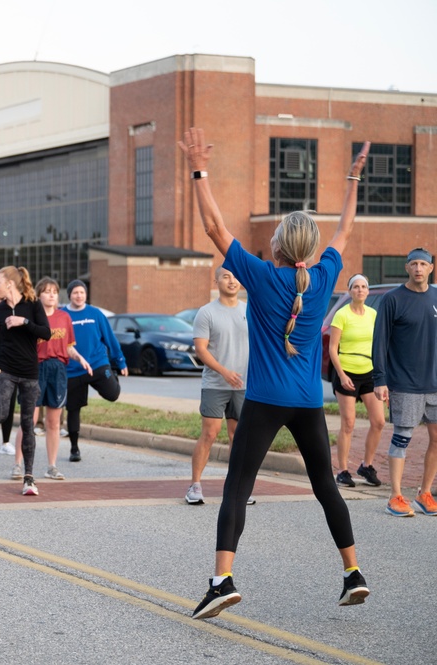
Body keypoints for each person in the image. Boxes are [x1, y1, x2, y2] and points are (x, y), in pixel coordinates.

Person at [180, 127, 371, 619]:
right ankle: (353, 573)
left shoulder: (262, 277)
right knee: (325, 486)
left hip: (264, 399)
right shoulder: (326, 274)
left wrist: (199, 171)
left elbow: (214, 228)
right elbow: (345, 230)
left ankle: (222, 581)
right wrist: (353, 178)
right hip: (308, 401)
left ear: (282, 246)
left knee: (238, 488)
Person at [0, 266, 51, 496]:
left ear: (10, 284)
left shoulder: (32, 305)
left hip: (29, 373)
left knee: (27, 426)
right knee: (2, 414)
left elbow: (46, 333)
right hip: (4, 370)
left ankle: (29, 478)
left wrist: (24, 322)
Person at [371, 248, 437, 517]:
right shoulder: (392, 299)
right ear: (407, 268)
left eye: (424, 264)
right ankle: (395, 496)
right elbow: (380, 341)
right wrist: (380, 379)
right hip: (405, 383)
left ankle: (424, 493)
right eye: (414, 264)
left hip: (434, 383)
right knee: (402, 439)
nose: (419, 268)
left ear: (431, 268)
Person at [9, 277, 90, 481]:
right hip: (34, 369)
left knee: (53, 422)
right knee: (30, 420)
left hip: (58, 370)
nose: (51, 294)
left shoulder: (64, 317)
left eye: (54, 291)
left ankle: (51, 466)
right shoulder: (31, 316)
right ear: (38, 295)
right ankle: (18, 464)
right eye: (46, 291)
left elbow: (69, 347)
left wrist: (81, 359)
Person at [184, 267, 253, 506]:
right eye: (226, 276)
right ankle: (195, 485)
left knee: (239, 437)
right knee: (210, 434)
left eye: (235, 276)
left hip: (244, 385)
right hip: (215, 384)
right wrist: (224, 372)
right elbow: (200, 350)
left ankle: (236, 488)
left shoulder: (250, 310)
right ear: (216, 281)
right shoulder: (206, 313)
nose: (232, 280)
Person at [61, 279, 127, 462]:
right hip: (73, 370)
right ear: (69, 295)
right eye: (75, 293)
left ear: (86, 295)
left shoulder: (95, 313)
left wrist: (120, 361)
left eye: (82, 292)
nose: (79, 296)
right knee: (73, 410)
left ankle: (111, 375)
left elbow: (110, 338)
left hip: (98, 364)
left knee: (113, 394)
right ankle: (74, 449)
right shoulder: (63, 315)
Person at [328, 274, 384, 489]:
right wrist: (342, 375)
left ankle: (366, 466)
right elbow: (333, 348)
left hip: (369, 372)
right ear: (350, 291)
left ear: (368, 291)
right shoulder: (341, 315)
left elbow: (379, 346)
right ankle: (342, 471)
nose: (360, 290)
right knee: (348, 423)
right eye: (356, 287)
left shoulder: (373, 314)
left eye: (363, 287)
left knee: (378, 421)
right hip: (346, 372)